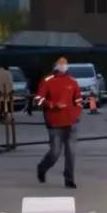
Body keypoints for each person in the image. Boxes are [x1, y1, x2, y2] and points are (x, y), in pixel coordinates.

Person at [34, 56, 82, 189]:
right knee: (55, 152)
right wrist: (52, 105)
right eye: (61, 63)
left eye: (65, 63)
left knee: (71, 153)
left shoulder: (72, 82)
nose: (64, 65)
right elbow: (38, 99)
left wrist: (77, 114)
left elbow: (78, 100)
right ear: (55, 65)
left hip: (71, 123)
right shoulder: (47, 81)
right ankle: (42, 168)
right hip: (54, 123)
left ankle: (69, 179)